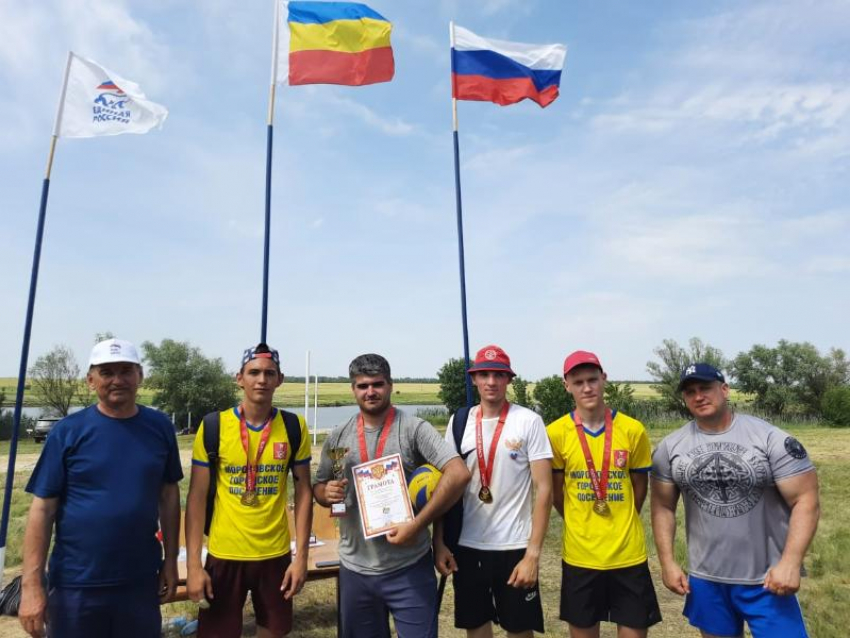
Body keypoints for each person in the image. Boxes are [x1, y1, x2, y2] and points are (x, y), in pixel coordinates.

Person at [19, 338, 183, 638]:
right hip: (76, 584)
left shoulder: (159, 427)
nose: (117, 380)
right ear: (90, 380)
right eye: (107, 372)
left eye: (126, 370)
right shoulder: (67, 432)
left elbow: (169, 496)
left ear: (140, 376)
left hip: (139, 581)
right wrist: (31, 585)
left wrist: (170, 561)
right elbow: (42, 509)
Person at [651, 363, 820, 638]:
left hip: (766, 579)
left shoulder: (769, 438)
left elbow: (806, 500)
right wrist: (668, 563)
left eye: (705, 388)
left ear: (725, 390)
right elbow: (662, 506)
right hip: (706, 578)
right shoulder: (671, 447)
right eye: (690, 391)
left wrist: (790, 562)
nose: (698, 396)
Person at [313, 353, 470, 638]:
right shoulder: (338, 436)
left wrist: (419, 525)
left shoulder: (413, 429)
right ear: (353, 389)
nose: (370, 391)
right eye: (362, 386)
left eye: (377, 384)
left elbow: (458, 474)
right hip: (355, 568)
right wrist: (325, 493)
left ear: (390, 385)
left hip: (409, 566)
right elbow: (319, 487)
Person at [185, 343, 313, 638]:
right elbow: (196, 498)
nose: (262, 380)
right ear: (239, 378)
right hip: (224, 552)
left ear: (280, 379)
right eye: (253, 372)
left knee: (272, 631)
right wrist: (194, 565)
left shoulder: (294, 426)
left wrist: (301, 557)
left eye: (270, 373)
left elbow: (304, 492)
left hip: (275, 554)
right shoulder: (214, 425)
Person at [434, 345, 553, 637]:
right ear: (474, 379)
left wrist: (532, 555)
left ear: (509, 379)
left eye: (498, 375)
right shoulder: (459, 421)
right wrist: (439, 542)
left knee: (519, 629)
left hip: (513, 546)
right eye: (483, 374)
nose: (491, 381)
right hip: (466, 544)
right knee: (475, 628)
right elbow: (445, 486)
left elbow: (545, 488)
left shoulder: (528, 421)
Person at [546, 350, 661, 638]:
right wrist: (577, 519)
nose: (587, 388)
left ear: (604, 379)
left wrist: (623, 517)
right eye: (579, 381)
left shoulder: (633, 430)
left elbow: (639, 486)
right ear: (566, 385)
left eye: (592, 380)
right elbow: (557, 493)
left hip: (628, 554)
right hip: (580, 556)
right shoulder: (556, 433)